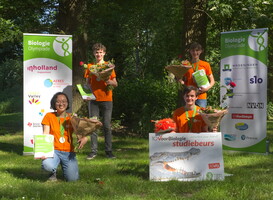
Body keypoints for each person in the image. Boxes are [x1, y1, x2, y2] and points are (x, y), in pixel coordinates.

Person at [41, 92, 88, 181]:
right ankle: (52, 172)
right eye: (58, 101)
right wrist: (43, 151)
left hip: (68, 152)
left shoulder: (72, 117)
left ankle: (64, 166)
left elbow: (80, 135)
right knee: (47, 166)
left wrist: (84, 138)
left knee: (73, 180)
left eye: (64, 101)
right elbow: (45, 134)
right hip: (53, 150)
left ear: (67, 103)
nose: (61, 103)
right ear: (54, 103)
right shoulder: (49, 116)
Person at [84, 43, 118, 160]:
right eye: (96, 52)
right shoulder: (90, 67)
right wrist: (86, 94)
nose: (98, 54)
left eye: (100, 52)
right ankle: (93, 151)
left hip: (107, 99)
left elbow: (115, 83)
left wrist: (108, 81)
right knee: (93, 125)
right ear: (94, 53)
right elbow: (87, 84)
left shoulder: (109, 66)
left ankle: (109, 151)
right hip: (93, 100)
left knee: (107, 126)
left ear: (104, 53)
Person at [178, 42, 215, 108]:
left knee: (200, 116)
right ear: (190, 51)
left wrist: (206, 88)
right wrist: (180, 81)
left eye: (197, 50)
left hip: (201, 95)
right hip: (189, 96)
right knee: (188, 115)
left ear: (201, 51)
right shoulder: (185, 65)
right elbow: (181, 79)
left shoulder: (205, 64)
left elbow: (212, 80)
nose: (195, 52)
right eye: (193, 50)